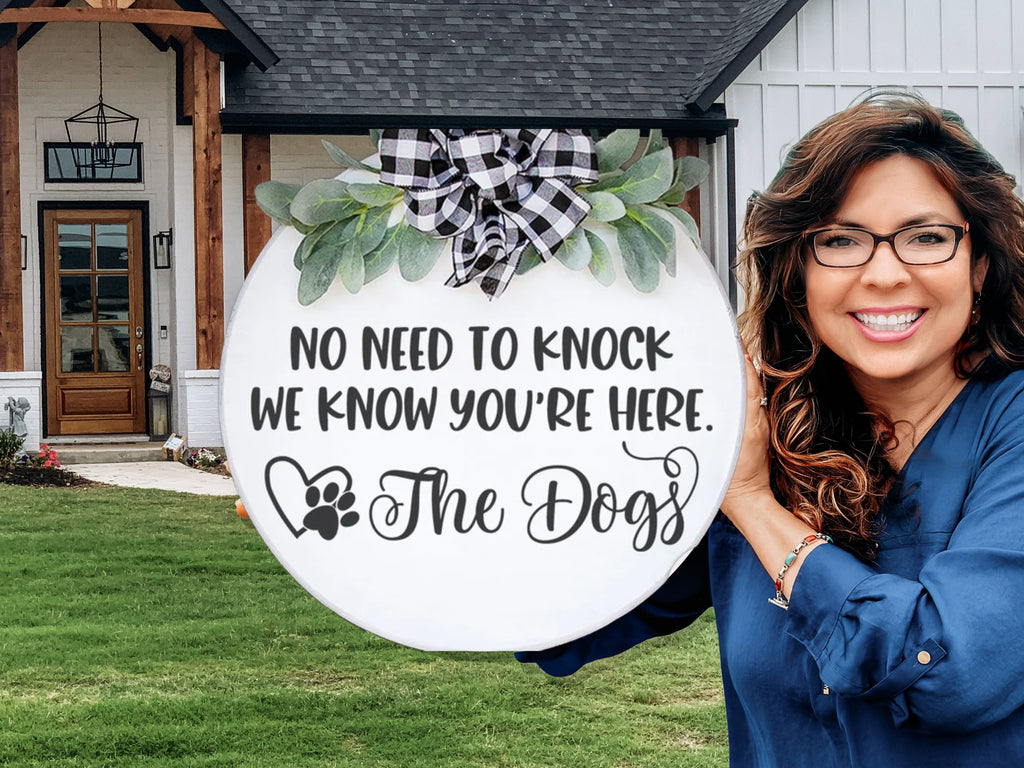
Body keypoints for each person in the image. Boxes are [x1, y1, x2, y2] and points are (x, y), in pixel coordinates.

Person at [517, 91, 1024, 765]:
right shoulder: (759, 431)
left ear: (980, 264)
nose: (883, 273)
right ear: (798, 273)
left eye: (926, 237)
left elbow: (948, 673)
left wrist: (754, 504)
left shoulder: (1007, 427)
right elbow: (569, 618)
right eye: (840, 241)